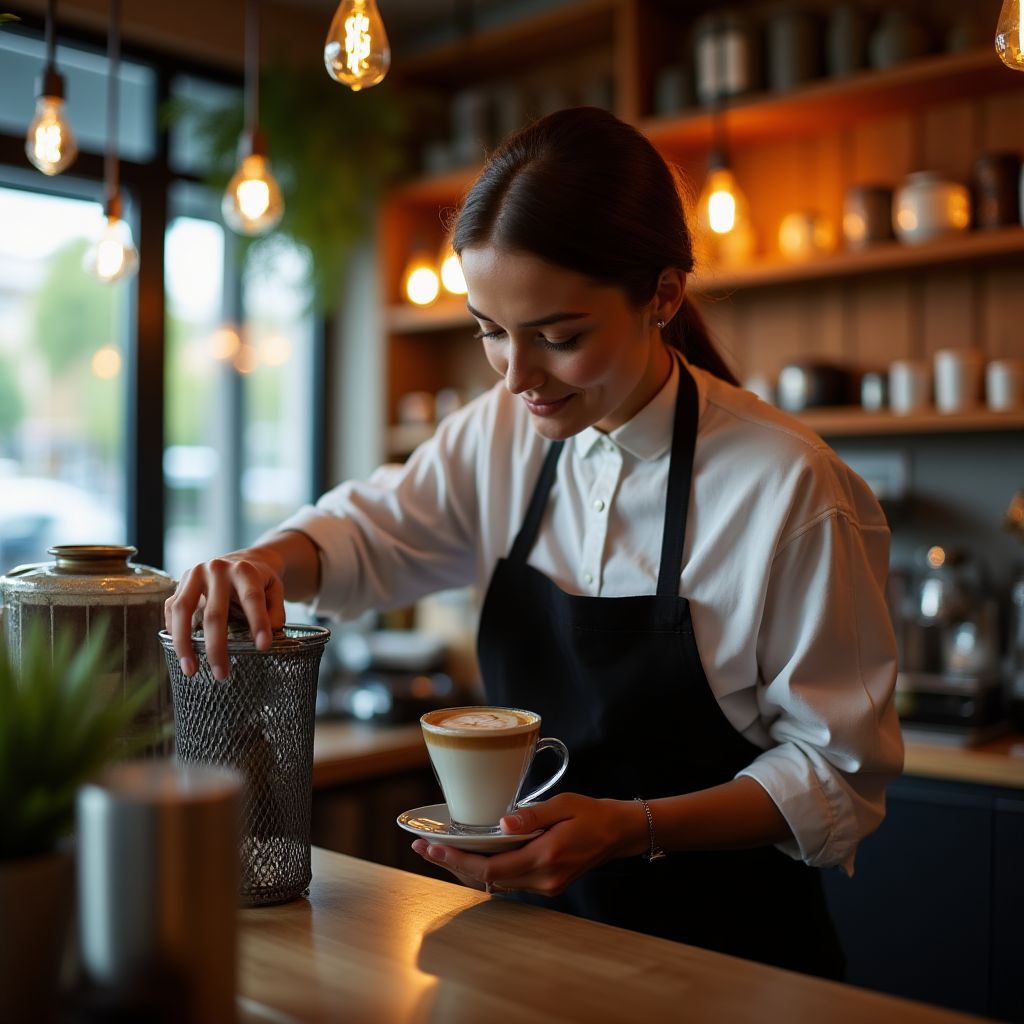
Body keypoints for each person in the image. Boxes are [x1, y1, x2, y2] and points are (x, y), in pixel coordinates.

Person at [165, 106, 903, 980]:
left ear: (663, 296)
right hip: (528, 952)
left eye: (558, 337)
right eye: (488, 330)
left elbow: (838, 776)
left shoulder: (791, 488)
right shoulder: (499, 435)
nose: (516, 377)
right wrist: (264, 561)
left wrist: (637, 828)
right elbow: (367, 534)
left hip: (730, 966)